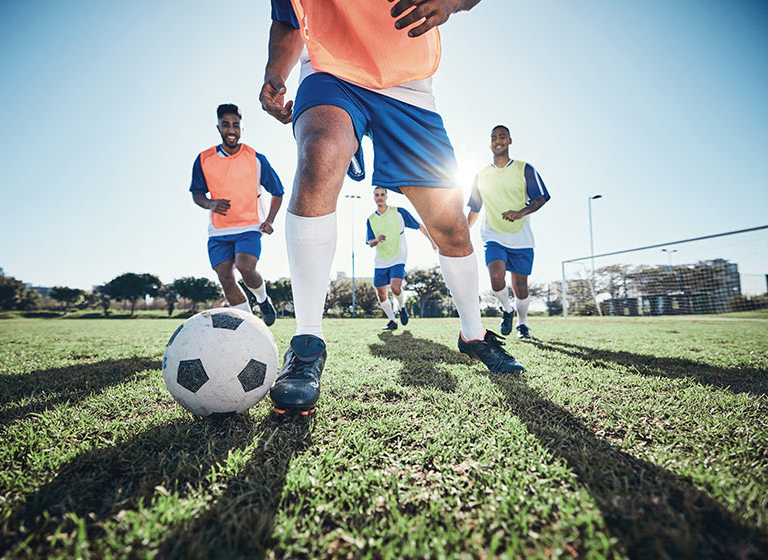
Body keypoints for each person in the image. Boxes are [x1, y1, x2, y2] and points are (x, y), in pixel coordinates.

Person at [261, 0, 525, 416]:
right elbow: (289, 18)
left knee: (451, 227)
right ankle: (307, 343)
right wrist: (275, 72)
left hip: (408, 84)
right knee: (320, 155)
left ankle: (473, 335)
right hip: (331, 70)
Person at [189, 104, 284, 325]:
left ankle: (262, 298)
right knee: (225, 277)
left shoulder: (256, 158)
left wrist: (269, 220)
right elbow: (197, 193)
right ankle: (250, 326)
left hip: (249, 226)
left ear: (241, 128)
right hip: (219, 231)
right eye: (226, 125)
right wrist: (210, 203)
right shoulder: (204, 159)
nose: (231, 130)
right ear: (218, 127)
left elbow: (278, 191)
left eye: (235, 125)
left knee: (245, 267)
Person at [467, 125, 550, 339]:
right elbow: (475, 208)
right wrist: (463, 232)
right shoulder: (481, 175)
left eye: (502, 136)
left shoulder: (525, 169)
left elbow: (541, 197)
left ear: (510, 141)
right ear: (490, 143)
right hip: (493, 235)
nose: (498, 140)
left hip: (521, 238)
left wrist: (521, 212)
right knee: (496, 277)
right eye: (494, 137)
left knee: (520, 287)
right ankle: (506, 309)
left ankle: (522, 324)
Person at [366, 186, 437, 330]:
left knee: (395, 287)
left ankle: (402, 307)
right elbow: (370, 242)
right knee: (381, 293)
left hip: (398, 256)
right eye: (377, 195)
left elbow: (420, 226)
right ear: (374, 198)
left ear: (386, 196)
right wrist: (377, 239)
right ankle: (392, 321)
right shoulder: (371, 219)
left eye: (382, 194)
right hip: (381, 260)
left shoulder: (399, 212)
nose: (379, 197)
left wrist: (432, 241)